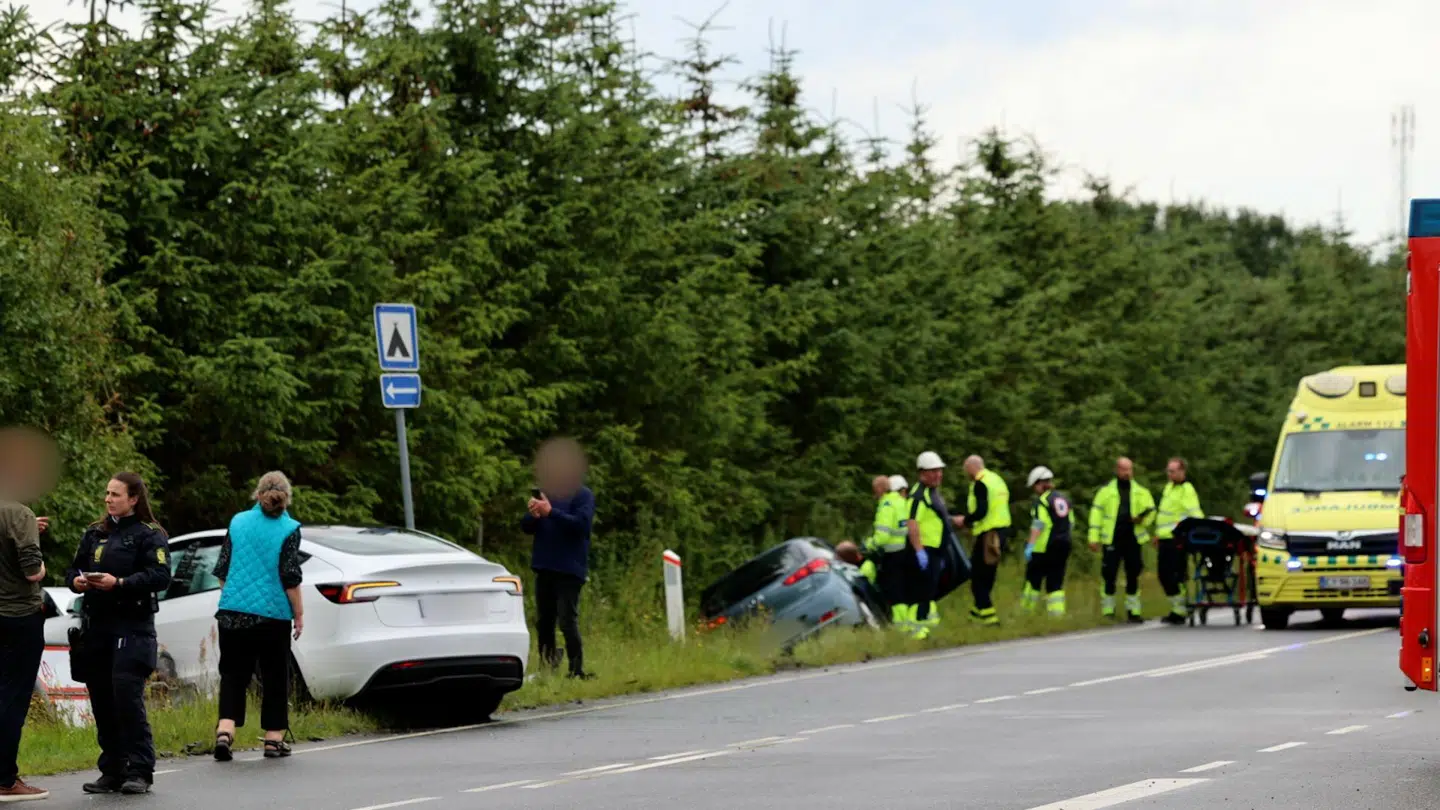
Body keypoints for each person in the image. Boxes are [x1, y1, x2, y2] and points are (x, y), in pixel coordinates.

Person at [65, 473, 172, 795]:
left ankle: (140, 769)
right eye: (107, 493)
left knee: (126, 696)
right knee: (101, 698)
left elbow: (160, 575)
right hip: (98, 624)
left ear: (134, 498)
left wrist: (121, 583)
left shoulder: (149, 535)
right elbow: (73, 570)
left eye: (115, 494)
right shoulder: (95, 533)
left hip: (133, 624)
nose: (108, 499)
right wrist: (77, 582)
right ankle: (112, 768)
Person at [212, 472, 305, 761]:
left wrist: (234, 598)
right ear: (286, 497)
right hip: (272, 614)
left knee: (232, 673)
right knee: (276, 675)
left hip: (232, 612)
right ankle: (273, 739)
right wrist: (299, 614)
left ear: (258, 493)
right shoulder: (289, 528)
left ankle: (225, 731)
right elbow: (290, 577)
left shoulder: (238, 521)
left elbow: (223, 570)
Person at [0, 427, 57, 803]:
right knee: (13, 697)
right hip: (18, 616)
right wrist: (34, 546)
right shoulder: (20, 513)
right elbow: (32, 571)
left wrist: (25, 532)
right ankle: (6, 779)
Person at [522, 437, 596, 679]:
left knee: (567, 621)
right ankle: (547, 666)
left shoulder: (582, 496)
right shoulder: (547, 495)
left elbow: (580, 526)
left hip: (569, 568)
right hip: (545, 565)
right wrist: (534, 514)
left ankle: (576, 669)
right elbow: (526, 527)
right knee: (544, 621)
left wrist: (551, 512)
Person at [1087, 457, 1156, 623]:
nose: (1127, 473)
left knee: (1133, 573)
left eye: (1129, 469)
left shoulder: (1141, 492)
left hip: (1133, 538)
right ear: (1117, 470)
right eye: (1123, 469)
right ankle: (1108, 611)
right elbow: (1096, 515)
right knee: (1109, 573)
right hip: (1113, 538)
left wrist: (1142, 520)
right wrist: (1093, 538)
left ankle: (1133, 611)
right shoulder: (1105, 492)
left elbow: (1152, 511)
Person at [905, 452, 964, 639]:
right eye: (933, 472)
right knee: (924, 590)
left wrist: (953, 521)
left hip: (938, 549)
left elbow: (936, 518)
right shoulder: (918, 496)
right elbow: (912, 524)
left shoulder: (933, 493)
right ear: (922, 473)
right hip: (927, 550)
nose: (938, 475)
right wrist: (919, 551)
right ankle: (917, 628)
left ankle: (922, 624)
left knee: (930, 588)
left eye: (939, 471)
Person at [955, 455, 1012, 626]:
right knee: (987, 576)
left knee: (977, 577)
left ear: (972, 468)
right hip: (1001, 532)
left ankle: (991, 619)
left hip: (989, 534)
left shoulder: (981, 483)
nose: (966, 474)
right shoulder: (997, 480)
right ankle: (974, 617)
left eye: (966, 470)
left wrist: (964, 521)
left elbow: (982, 510)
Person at [1155, 457, 1203, 625]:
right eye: (1168, 471)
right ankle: (1177, 608)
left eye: (1173, 471)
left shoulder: (1186, 490)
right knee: (1162, 575)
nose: (1170, 474)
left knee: (1176, 575)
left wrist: (1193, 533)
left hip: (1177, 539)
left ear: (1182, 471)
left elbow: (1194, 514)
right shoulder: (1169, 488)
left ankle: (1180, 610)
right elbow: (1164, 514)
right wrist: (1157, 534)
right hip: (1164, 538)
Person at [1022, 466, 1072, 618]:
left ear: (1040, 484)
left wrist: (1030, 545)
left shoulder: (1042, 502)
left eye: (1035, 486)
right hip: (1064, 544)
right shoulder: (1064, 499)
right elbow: (1071, 522)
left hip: (1044, 547)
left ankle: (1026, 612)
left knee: (1033, 580)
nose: (1034, 490)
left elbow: (1038, 525)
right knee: (1055, 581)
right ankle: (1056, 615)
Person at [861, 475, 909, 620]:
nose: (874, 494)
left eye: (875, 490)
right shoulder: (901, 502)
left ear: (881, 489)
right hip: (904, 551)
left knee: (894, 592)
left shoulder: (886, 505)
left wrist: (869, 544)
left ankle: (902, 625)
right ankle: (907, 622)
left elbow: (883, 537)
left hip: (891, 555)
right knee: (902, 589)